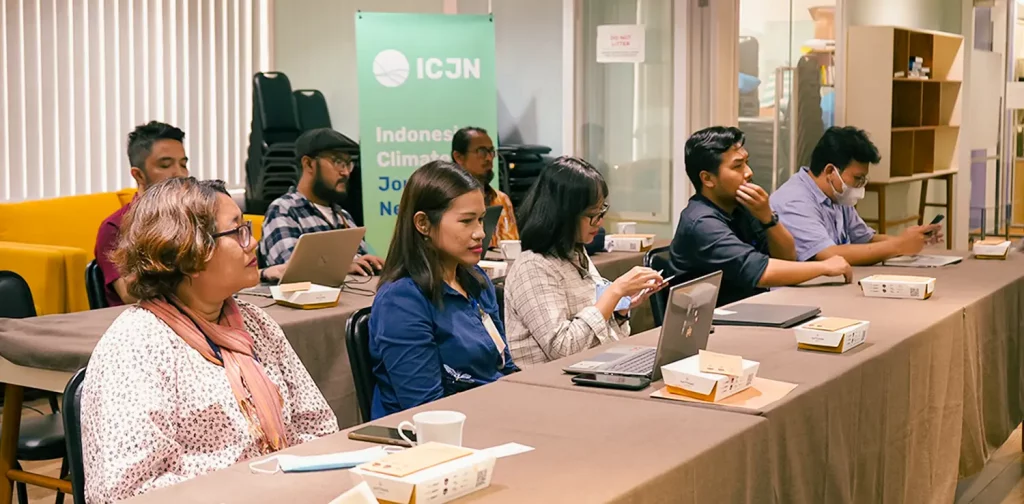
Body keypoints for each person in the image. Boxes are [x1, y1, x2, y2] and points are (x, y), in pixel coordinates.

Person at [81, 178, 338, 503]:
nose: (253, 241)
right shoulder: (137, 346)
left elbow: (317, 423)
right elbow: (122, 493)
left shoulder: (256, 322)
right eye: (238, 232)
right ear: (189, 253)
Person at [368, 160, 518, 418]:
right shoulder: (401, 301)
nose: (480, 233)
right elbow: (426, 408)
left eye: (481, 220)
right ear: (423, 223)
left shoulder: (477, 281)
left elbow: (505, 367)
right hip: (436, 437)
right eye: (467, 221)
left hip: (491, 417)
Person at [504, 156, 665, 369]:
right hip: (549, 385)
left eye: (602, 211)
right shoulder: (533, 266)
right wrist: (614, 293)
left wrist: (619, 310)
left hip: (591, 370)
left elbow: (603, 338)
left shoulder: (575, 251)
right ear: (562, 215)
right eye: (592, 214)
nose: (600, 221)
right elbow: (562, 350)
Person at [670, 126, 852, 306]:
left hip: (751, 308)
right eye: (737, 166)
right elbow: (761, 273)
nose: (749, 172)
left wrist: (768, 217)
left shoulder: (742, 206)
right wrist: (824, 267)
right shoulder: (701, 222)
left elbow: (787, 257)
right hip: (714, 322)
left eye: (746, 163)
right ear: (707, 179)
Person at [770, 126, 942, 265]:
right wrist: (898, 245)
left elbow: (865, 240)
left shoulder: (835, 195)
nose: (860, 186)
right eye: (857, 178)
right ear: (830, 171)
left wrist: (912, 240)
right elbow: (829, 254)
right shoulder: (794, 200)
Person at [259, 128, 383, 280]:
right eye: (338, 162)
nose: (346, 172)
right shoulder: (284, 210)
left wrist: (371, 264)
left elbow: (361, 260)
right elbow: (289, 270)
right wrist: (343, 267)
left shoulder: (342, 215)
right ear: (309, 164)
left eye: (348, 164)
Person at [94, 121, 189, 306]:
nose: (180, 174)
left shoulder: (192, 217)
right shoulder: (114, 228)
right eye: (165, 165)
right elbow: (130, 295)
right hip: (143, 324)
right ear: (138, 175)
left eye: (183, 164)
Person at [451, 126, 519, 247]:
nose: (489, 158)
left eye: (491, 151)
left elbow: (512, 247)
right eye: (481, 151)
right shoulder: (447, 199)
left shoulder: (501, 199)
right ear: (459, 157)